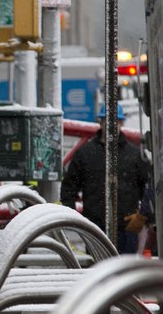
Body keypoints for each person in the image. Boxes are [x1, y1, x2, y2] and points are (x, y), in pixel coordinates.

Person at [60, 103, 150, 255]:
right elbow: (69, 188)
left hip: (127, 227)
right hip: (95, 227)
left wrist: (142, 217)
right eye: (107, 121)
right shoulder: (85, 154)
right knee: (99, 271)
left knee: (125, 272)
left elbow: (148, 189)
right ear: (100, 122)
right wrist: (75, 222)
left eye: (116, 122)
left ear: (121, 123)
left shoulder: (135, 155)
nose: (111, 126)